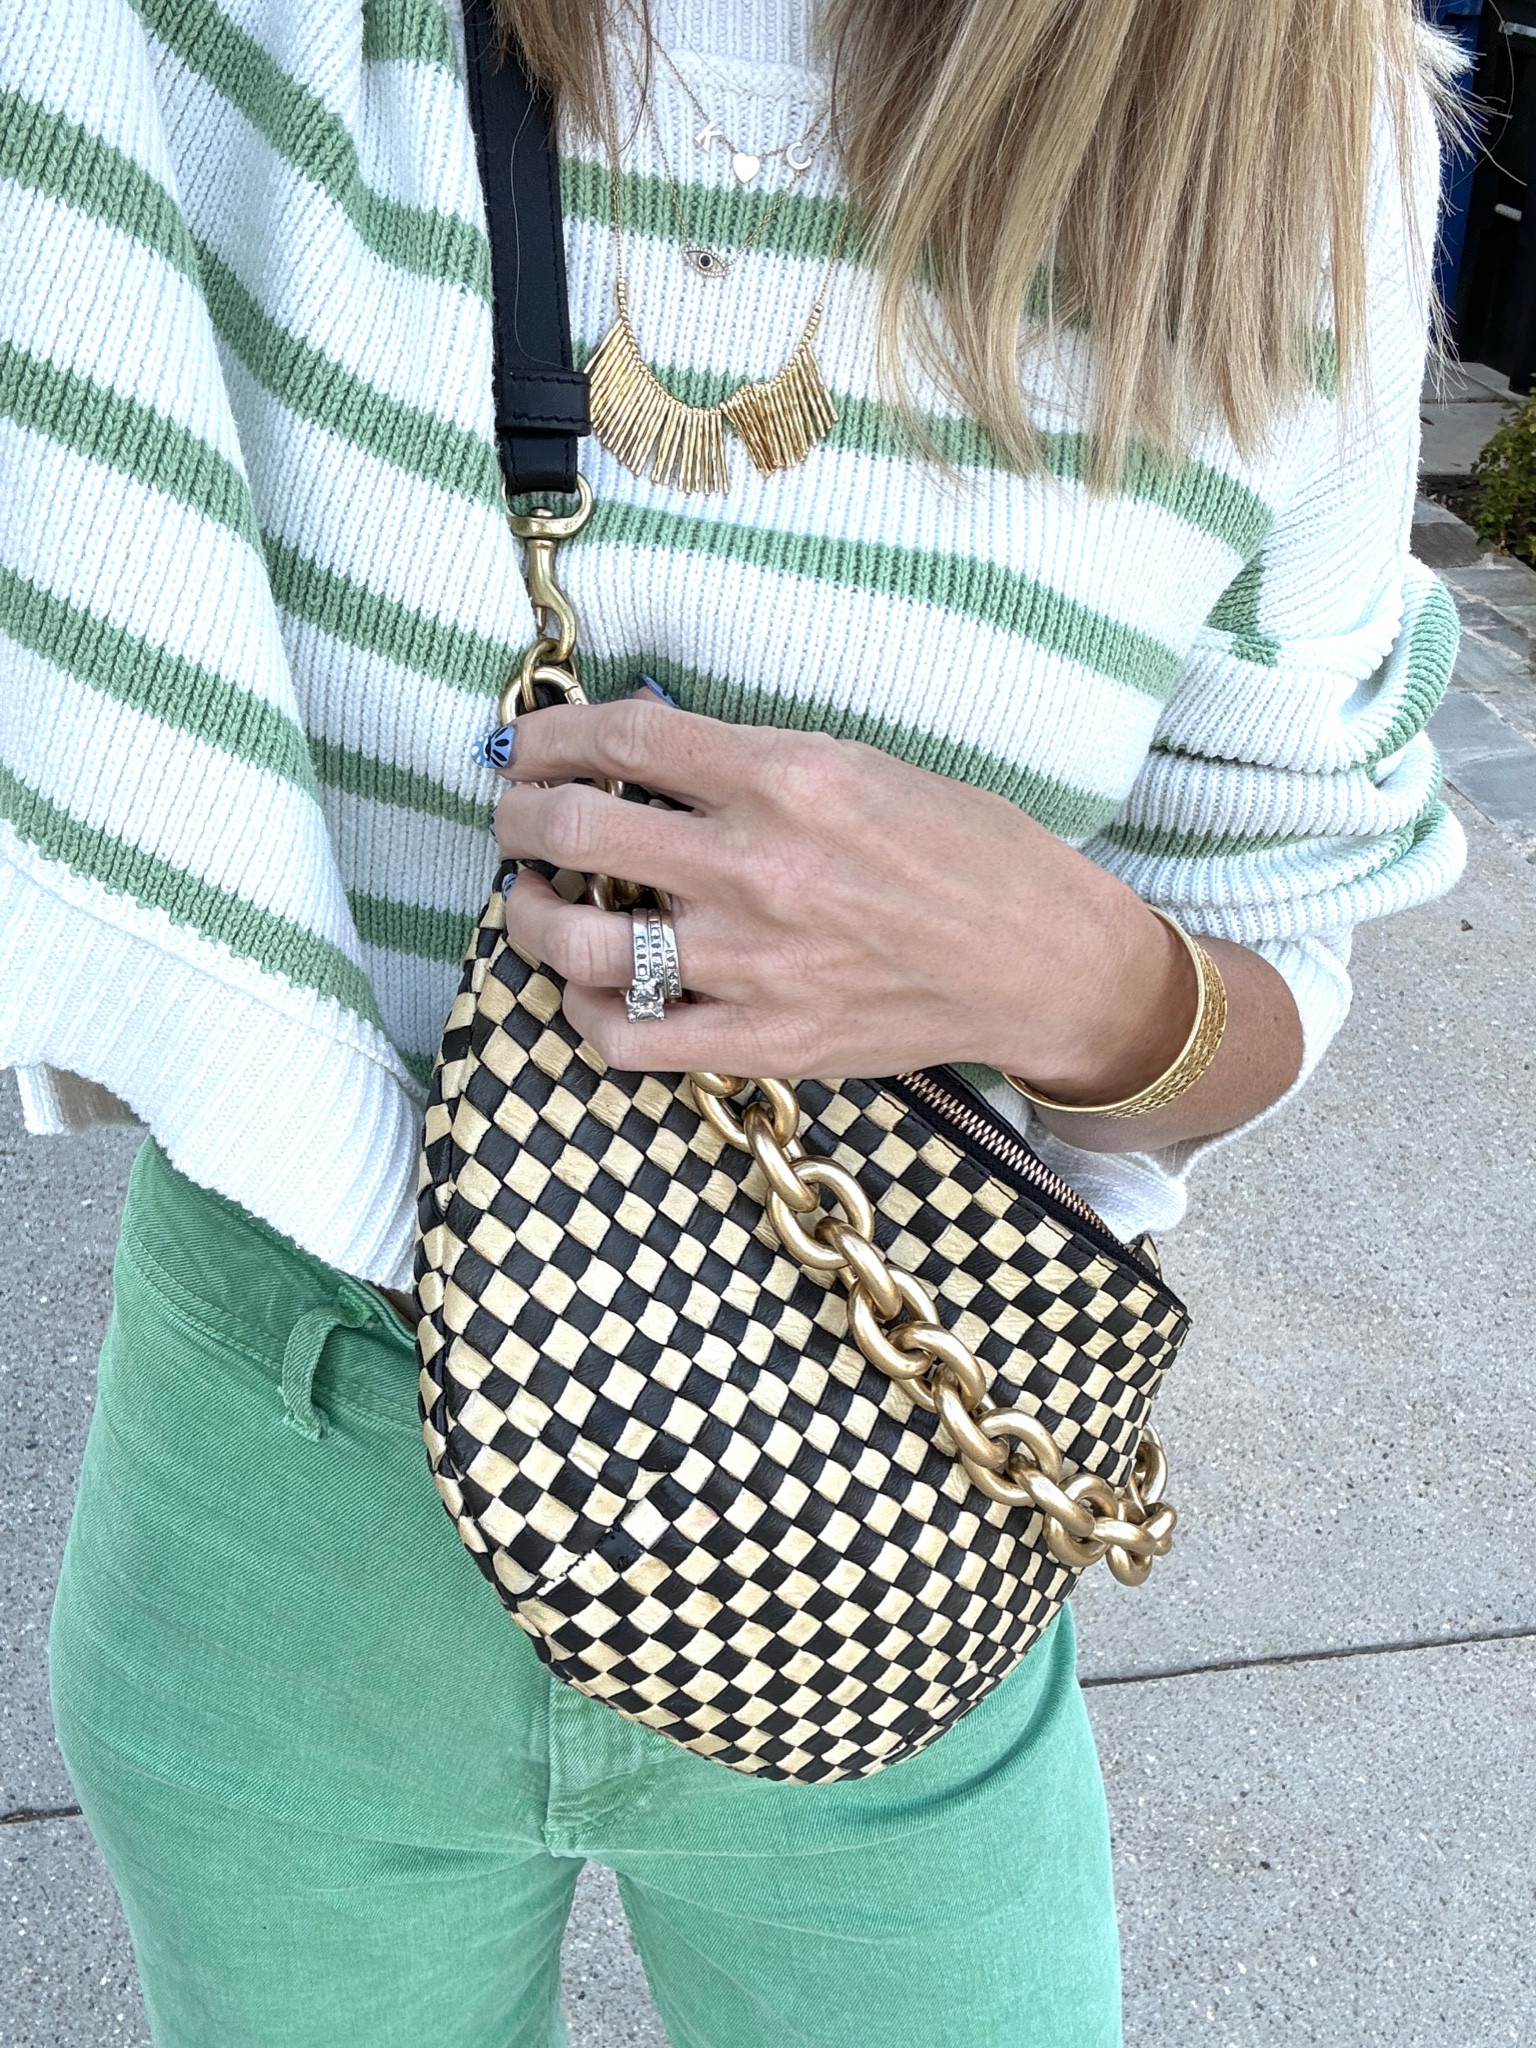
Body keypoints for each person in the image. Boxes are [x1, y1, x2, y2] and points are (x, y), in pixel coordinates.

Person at [0, 0, 1464, 2041]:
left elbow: (1289, 899)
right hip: (287, 1503)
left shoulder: (1285, 125)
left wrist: (1069, 969)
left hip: (887, 1498)